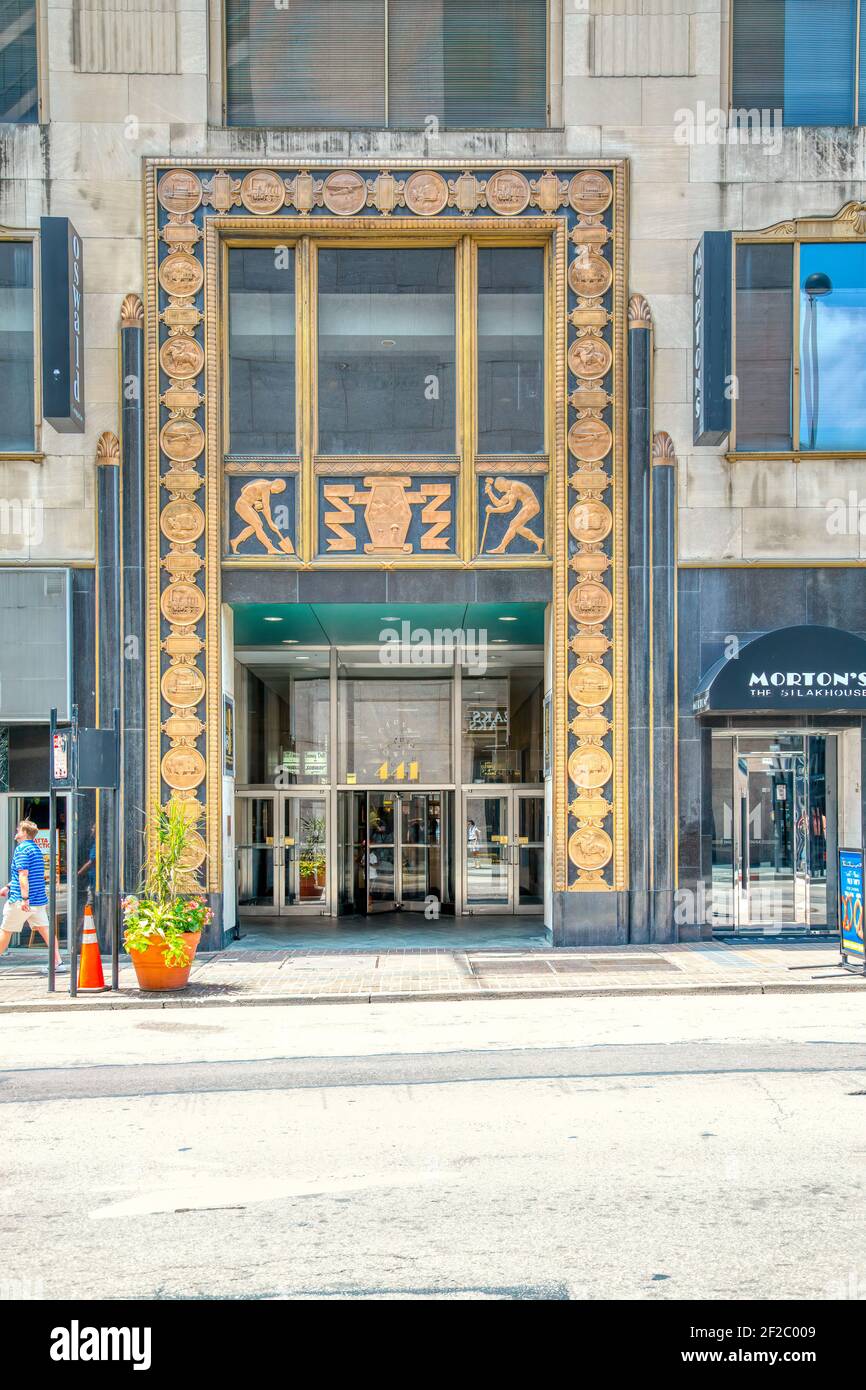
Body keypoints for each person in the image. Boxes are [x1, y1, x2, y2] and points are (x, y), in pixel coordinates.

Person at [0, 819, 67, 972]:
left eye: (18, 830)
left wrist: (24, 899)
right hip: (38, 899)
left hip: (21, 901)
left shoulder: (22, 849)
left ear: (24, 833)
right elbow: (30, 875)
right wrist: (8, 886)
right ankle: (58, 962)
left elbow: (23, 875)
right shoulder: (35, 849)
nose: (16, 832)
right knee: (46, 930)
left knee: (5, 930)